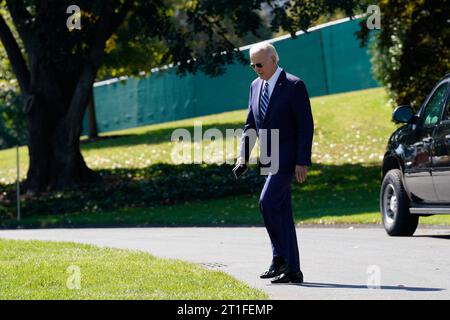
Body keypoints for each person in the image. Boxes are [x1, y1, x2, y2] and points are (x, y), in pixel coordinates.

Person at [235, 42, 314, 284]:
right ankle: (294, 270)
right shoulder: (255, 86)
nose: (255, 68)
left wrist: (302, 160)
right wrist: (242, 156)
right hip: (269, 157)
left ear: (273, 60)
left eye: (259, 64)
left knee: (267, 202)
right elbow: (251, 125)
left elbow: (305, 125)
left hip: (288, 157)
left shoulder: (294, 85)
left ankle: (281, 258)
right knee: (282, 211)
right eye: (252, 65)